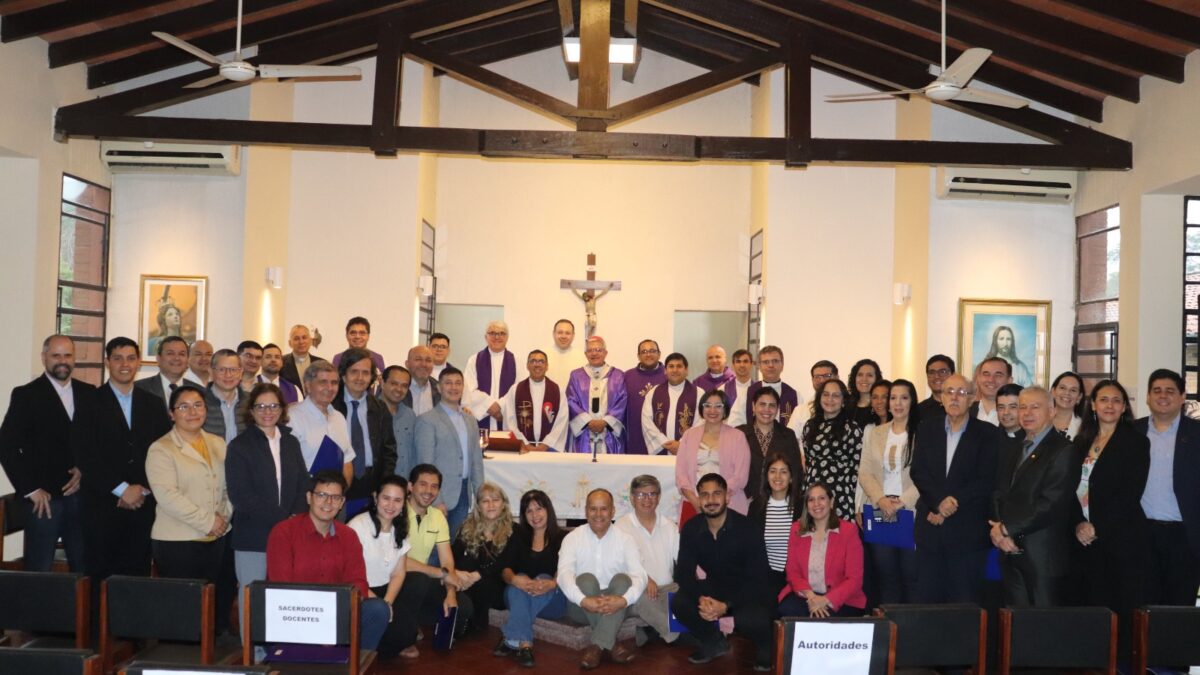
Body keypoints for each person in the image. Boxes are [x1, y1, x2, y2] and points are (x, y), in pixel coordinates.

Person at [266, 470, 390, 652]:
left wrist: (333, 622)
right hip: (294, 616)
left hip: (336, 614)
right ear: (309, 498)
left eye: (335, 497)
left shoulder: (348, 536)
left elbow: (358, 584)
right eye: (322, 495)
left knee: (378, 609)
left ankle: (354, 663)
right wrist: (318, 624)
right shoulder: (284, 532)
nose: (328, 502)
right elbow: (282, 589)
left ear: (342, 503)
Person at [80, 337, 171, 582]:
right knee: (99, 579)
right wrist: (121, 489)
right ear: (107, 362)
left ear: (138, 362)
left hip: (143, 504)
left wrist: (142, 489)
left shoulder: (153, 403)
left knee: (137, 577)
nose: (125, 364)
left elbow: (163, 451)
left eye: (131, 358)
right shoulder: (89, 402)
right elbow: (85, 454)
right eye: (118, 358)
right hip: (102, 505)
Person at [0, 334, 93, 572]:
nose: (62, 361)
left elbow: (96, 442)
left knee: (85, 569)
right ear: (44, 358)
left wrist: (84, 469)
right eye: (56, 355)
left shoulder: (89, 393)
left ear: (74, 358)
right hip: (43, 501)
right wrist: (30, 489)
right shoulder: (26, 395)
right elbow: (7, 445)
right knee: (39, 570)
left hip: (82, 497)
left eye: (67, 355)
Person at [146, 384, 234, 633]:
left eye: (198, 405)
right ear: (172, 414)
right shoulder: (161, 448)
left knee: (213, 605)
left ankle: (210, 651)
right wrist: (209, 522)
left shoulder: (218, 443)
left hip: (218, 537)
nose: (192, 412)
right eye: (183, 407)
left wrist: (224, 517)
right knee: (183, 611)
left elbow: (229, 487)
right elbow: (167, 496)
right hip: (177, 541)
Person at [1072, 379, 1149, 659]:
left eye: (1117, 400)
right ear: (1093, 405)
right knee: (1089, 602)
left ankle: (1120, 662)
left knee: (1119, 605)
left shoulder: (1136, 442)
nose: (1110, 405)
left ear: (1124, 407)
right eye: (1103, 399)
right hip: (1082, 537)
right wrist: (1078, 523)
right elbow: (1067, 489)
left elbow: (1131, 492)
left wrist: (1097, 527)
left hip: (1120, 536)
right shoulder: (1081, 442)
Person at [911, 373, 1001, 604]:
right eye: (949, 392)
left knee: (965, 603)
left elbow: (986, 479)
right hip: (930, 530)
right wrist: (938, 503)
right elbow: (919, 471)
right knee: (927, 599)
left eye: (962, 392)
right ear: (941, 397)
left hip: (967, 533)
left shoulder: (988, 433)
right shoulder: (926, 428)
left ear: (972, 398)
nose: (954, 397)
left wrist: (949, 504)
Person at [225, 382, 310, 627]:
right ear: (251, 411)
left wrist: (295, 516)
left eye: (273, 406)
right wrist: (283, 519)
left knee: (282, 597)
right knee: (253, 598)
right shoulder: (239, 446)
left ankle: (278, 645)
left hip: (289, 534)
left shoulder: (290, 442)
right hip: (253, 535)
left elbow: (303, 483)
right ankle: (253, 648)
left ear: (282, 409)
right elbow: (241, 495)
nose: (267, 411)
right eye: (260, 406)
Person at [672, 474, 774, 672]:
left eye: (717, 494)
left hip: (747, 590)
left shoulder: (748, 528)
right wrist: (702, 599)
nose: (711, 500)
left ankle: (765, 646)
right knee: (680, 602)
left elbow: (759, 578)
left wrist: (726, 605)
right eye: (705, 495)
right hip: (715, 586)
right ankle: (714, 642)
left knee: (752, 618)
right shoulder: (691, 528)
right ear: (699, 499)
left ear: (727, 497)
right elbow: (683, 573)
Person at [990, 386, 1079, 607]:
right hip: (1009, 551)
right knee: (1014, 621)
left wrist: (1007, 529)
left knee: (1043, 624)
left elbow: (1051, 504)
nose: (1027, 413)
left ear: (1052, 411)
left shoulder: (1063, 450)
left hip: (1042, 557)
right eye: (1022, 407)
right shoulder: (1017, 447)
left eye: (1035, 407)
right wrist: (1000, 532)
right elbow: (1000, 492)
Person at [557, 489, 645, 669]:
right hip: (581, 607)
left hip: (618, 605)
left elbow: (640, 576)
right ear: (586, 511)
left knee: (623, 580)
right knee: (586, 580)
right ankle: (612, 644)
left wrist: (623, 600)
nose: (598, 514)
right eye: (593, 509)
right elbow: (563, 575)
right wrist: (583, 600)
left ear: (612, 511)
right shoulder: (572, 538)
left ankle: (597, 646)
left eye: (604, 509)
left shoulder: (626, 540)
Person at [1136, 369, 1200, 606]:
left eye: (1170, 391)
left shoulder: (1196, 434)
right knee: (1143, 605)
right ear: (1148, 397)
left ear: (1182, 397)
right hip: (1141, 533)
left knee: (1178, 608)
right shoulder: (1132, 431)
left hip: (1185, 536)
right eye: (1157, 391)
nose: (1163, 396)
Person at [857, 378, 921, 604]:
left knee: (911, 577)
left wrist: (901, 502)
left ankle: (911, 624)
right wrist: (881, 500)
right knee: (886, 578)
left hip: (910, 512)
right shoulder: (876, 433)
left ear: (912, 401)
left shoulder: (922, 433)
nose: (898, 403)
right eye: (893, 398)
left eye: (904, 398)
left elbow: (926, 475)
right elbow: (865, 472)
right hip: (880, 511)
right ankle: (890, 623)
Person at [347, 476, 419, 660]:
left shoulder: (400, 529)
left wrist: (387, 603)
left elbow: (398, 573)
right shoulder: (357, 526)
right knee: (387, 625)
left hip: (383, 592)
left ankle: (371, 645)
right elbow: (348, 575)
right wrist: (381, 607)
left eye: (397, 500)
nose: (391, 505)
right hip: (358, 591)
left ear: (404, 503)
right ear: (375, 497)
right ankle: (359, 654)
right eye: (386, 498)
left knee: (408, 633)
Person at [399, 464, 474, 639]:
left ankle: (412, 619)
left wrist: (450, 593)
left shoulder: (438, 516)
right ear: (410, 486)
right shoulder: (397, 512)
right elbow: (399, 560)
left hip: (423, 579)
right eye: (423, 484)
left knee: (463, 607)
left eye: (434, 486)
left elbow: (447, 561)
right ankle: (405, 624)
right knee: (419, 581)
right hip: (395, 578)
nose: (428, 491)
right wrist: (440, 573)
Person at [496, 489, 568, 667]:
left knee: (544, 577)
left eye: (539, 509)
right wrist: (515, 580)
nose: (535, 515)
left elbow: (568, 570)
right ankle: (524, 644)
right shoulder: (518, 537)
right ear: (524, 515)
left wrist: (552, 583)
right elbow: (505, 569)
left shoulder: (563, 538)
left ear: (548, 510)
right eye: (529, 511)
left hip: (553, 601)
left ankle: (513, 638)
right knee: (520, 577)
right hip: (517, 595)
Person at [779, 482, 866, 619]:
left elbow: (854, 579)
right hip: (806, 594)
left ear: (831, 502)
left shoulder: (849, 531)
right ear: (806, 505)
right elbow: (792, 572)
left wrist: (825, 600)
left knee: (824, 620)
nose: (816, 504)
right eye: (811, 500)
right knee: (788, 610)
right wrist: (812, 597)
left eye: (822, 498)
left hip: (841, 599)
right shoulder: (796, 530)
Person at [415, 367, 484, 535]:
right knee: (433, 543)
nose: (454, 387)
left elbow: (476, 461)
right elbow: (425, 464)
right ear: (439, 387)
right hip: (439, 494)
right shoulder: (427, 420)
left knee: (454, 542)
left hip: (463, 492)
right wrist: (435, 499)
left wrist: (481, 496)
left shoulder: (470, 420)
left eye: (458, 383)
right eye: (448, 383)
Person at [332, 348, 398, 518]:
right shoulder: (331, 406)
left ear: (372, 377)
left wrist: (383, 486)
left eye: (365, 373)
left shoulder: (380, 408)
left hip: (371, 486)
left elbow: (389, 451)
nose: (360, 378)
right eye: (354, 372)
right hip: (337, 485)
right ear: (343, 375)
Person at [614, 475, 679, 647]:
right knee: (641, 600)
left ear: (659, 497)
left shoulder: (669, 526)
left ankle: (651, 630)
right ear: (632, 498)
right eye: (641, 494)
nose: (647, 499)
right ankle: (675, 634)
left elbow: (682, 559)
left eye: (652, 494)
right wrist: (644, 579)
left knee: (689, 593)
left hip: (668, 589)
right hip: (640, 591)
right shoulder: (621, 527)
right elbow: (618, 566)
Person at [675, 389, 751, 524]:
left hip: (728, 501)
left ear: (725, 410)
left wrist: (718, 497)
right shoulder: (689, 435)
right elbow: (681, 473)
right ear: (701, 408)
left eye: (718, 406)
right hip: (693, 502)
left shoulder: (738, 437)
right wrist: (695, 500)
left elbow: (740, 476)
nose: (712, 410)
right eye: (708, 405)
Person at [451, 483, 515, 631]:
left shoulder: (513, 530)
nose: (491, 505)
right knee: (465, 563)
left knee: (483, 585)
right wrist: (457, 573)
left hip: (496, 584)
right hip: (467, 581)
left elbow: (506, 561)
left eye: (495, 500)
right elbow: (453, 556)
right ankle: (458, 624)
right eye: (485, 501)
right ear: (479, 506)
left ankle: (472, 625)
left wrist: (478, 575)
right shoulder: (467, 527)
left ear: (503, 504)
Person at [802, 378, 863, 521]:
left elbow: (857, 467)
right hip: (813, 491)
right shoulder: (810, 426)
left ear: (843, 401)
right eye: (826, 394)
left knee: (839, 533)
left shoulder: (852, 428)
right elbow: (808, 460)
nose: (830, 399)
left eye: (835, 395)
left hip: (840, 492)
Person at [748, 450, 802, 600]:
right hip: (765, 578)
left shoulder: (802, 506)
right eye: (773, 471)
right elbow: (751, 547)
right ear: (766, 476)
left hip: (796, 579)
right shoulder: (756, 507)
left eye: (783, 472)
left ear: (791, 478)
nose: (777, 476)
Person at [289, 360, 355, 481]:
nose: (329, 388)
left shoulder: (339, 418)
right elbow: (288, 465)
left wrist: (343, 490)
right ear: (308, 386)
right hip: (305, 490)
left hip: (336, 491)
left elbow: (347, 459)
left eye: (334, 383)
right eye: (323, 382)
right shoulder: (292, 417)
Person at [739, 386, 803, 507]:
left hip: (780, 501)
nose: (767, 410)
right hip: (745, 501)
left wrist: (793, 501)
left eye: (772, 405)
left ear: (777, 409)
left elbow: (796, 472)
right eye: (762, 404)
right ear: (753, 406)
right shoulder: (739, 434)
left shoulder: (788, 435)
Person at [567, 336, 628, 454]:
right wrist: (587, 421)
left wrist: (605, 422)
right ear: (585, 354)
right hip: (584, 433)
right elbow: (571, 400)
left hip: (609, 434)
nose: (594, 353)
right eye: (590, 350)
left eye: (598, 350)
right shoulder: (576, 375)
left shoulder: (617, 375)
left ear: (605, 353)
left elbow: (622, 401)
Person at [503, 350, 569, 453]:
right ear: (527, 365)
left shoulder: (558, 390)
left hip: (549, 449)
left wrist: (545, 445)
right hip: (523, 449)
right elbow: (509, 420)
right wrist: (525, 443)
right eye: (533, 361)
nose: (537, 365)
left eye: (541, 361)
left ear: (547, 366)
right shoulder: (515, 389)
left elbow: (562, 421)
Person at [464, 320, 521, 432]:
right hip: (481, 421)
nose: (497, 337)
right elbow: (468, 389)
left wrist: (501, 406)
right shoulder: (474, 360)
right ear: (486, 337)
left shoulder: (516, 361)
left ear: (507, 337)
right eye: (492, 333)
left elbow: (519, 390)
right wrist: (489, 405)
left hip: (506, 421)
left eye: (501, 333)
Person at [641, 352, 702, 456]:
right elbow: (646, 420)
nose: (675, 370)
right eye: (671, 366)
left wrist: (682, 444)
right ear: (665, 370)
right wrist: (664, 442)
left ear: (686, 370)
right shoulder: (654, 392)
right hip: (661, 448)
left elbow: (701, 422)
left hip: (687, 450)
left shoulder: (698, 393)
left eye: (679, 366)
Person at [743, 346, 804, 433]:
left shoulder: (795, 395)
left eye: (775, 361)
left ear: (782, 365)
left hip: (785, 441)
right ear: (759, 366)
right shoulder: (747, 393)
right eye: (766, 362)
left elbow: (801, 428)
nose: (771, 365)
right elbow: (735, 426)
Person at [623, 339, 665, 455]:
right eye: (644, 352)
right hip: (635, 435)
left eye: (652, 351)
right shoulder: (627, 376)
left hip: (662, 437)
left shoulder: (668, 375)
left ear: (659, 354)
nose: (648, 354)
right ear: (638, 356)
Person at [135, 336, 198, 413]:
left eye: (182, 354)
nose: (177, 358)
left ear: (187, 360)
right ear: (158, 359)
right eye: (170, 353)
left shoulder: (198, 391)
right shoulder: (138, 389)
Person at [379, 366, 418, 480]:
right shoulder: (369, 412)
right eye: (394, 383)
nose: (399, 389)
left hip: (404, 483)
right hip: (378, 484)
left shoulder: (410, 415)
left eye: (404, 386)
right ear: (382, 383)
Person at [204, 349, 246, 443]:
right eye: (222, 370)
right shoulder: (199, 402)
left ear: (241, 372)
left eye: (233, 370)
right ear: (210, 372)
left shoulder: (251, 402)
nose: (228, 375)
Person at [281, 324, 326, 394]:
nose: (301, 342)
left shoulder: (322, 363)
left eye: (304, 337)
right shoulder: (281, 362)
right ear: (290, 343)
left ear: (310, 341)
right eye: (296, 338)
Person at [971, 356, 1012, 426]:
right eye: (986, 374)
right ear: (978, 379)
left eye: (998, 375)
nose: (991, 380)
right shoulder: (965, 411)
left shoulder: (1018, 415)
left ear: (1009, 381)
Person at [722, 349, 756, 427]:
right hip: (729, 431)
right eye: (738, 361)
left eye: (745, 361)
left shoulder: (759, 390)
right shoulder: (723, 389)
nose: (742, 365)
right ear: (733, 365)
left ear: (751, 364)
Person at [403, 345, 440, 415]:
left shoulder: (440, 390)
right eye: (418, 359)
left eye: (428, 360)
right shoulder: (396, 388)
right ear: (407, 364)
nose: (423, 364)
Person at [917, 354, 955, 420]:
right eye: (932, 372)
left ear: (953, 374)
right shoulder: (918, 411)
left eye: (942, 372)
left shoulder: (963, 407)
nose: (937, 376)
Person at [1051, 371, 1085, 440]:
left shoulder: (1085, 428)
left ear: (1079, 397)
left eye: (1073, 390)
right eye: (1062, 388)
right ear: (1053, 391)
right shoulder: (1039, 421)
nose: (1067, 393)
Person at [848, 358, 882, 427]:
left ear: (876, 379)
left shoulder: (881, 406)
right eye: (860, 375)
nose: (864, 379)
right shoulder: (847, 407)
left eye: (869, 375)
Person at [547, 319, 581, 387]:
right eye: (560, 332)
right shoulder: (543, 356)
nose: (563, 336)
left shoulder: (582, 357)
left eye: (567, 333)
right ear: (554, 334)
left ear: (573, 335)